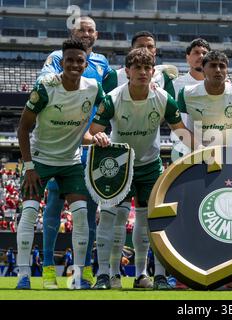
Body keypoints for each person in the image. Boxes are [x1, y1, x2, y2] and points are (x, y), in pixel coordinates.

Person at [86, 47, 198, 290]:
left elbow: (182, 132)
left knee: (151, 222)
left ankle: (151, 276)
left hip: (150, 166)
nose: (143, 72)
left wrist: (205, 150)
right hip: (118, 166)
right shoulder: (113, 98)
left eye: (147, 68)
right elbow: (92, 132)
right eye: (137, 68)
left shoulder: (163, 99)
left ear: (152, 71)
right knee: (109, 219)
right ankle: (107, 275)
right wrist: (100, 137)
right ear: (127, 71)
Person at [16, 39, 104, 290]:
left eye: (79, 60)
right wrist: (30, 166)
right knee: (31, 212)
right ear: (62, 62)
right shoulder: (45, 86)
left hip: (71, 161)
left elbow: (105, 114)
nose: (75, 64)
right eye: (70, 60)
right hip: (41, 159)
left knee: (81, 216)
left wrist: (96, 136)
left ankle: (78, 276)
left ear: (86, 64)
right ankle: (24, 275)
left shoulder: (94, 88)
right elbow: (23, 128)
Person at [38, 16, 116, 289]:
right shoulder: (58, 57)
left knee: (89, 209)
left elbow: (108, 101)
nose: (86, 33)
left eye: (90, 30)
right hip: (60, 144)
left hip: (88, 144)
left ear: (97, 34)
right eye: (81, 29)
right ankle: (48, 268)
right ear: (73, 32)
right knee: (54, 207)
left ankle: (82, 271)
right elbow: (45, 84)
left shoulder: (103, 63)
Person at [178, 50, 232, 148]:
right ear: (203, 69)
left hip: (227, 157)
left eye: (222, 66)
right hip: (195, 155)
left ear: (227, 70)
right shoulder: (186, 93)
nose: (218, 70)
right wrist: (200, 149)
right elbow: (179, 127)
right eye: (213, 66)